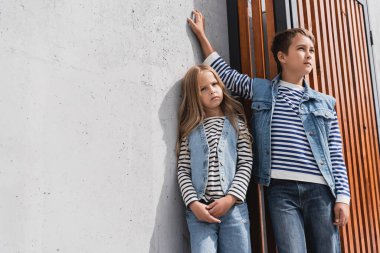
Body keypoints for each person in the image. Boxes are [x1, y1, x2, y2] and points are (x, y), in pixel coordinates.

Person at [187, 10, 350, 253]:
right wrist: (201, 35)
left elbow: (336, 152)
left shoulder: (326, 103)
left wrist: (342, 198)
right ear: (282, 56)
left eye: (312, 50)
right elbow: (226, 76)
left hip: (320, 190)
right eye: (302, 49)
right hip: (280, 191)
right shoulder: (263, 90)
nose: (309, 55)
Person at [177, 64, 253, 253]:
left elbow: (245, 164)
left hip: (234, 210)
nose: (212, 90)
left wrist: (230, 198)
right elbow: (183, 171)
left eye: (214, 84)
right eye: (203, 88)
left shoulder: (237, 125)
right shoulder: (189, 130)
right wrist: (194, 204)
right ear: (195, 96)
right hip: (200, 213)